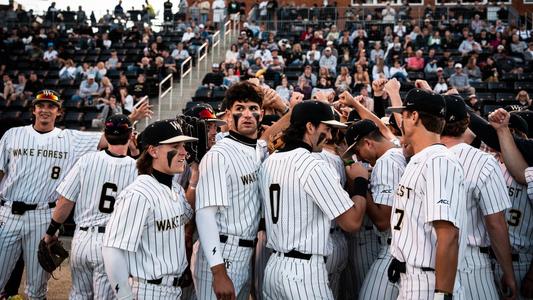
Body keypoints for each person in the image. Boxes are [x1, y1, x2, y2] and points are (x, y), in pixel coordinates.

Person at [0, 90, 103, 299]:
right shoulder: (13, 134)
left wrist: (132, 119)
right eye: (41, 105)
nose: (45, 110)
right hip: (7, 212)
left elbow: (108, 138)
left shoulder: (70, 138)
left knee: (37, 287)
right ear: (34, 110)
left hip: (43, 215)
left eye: (51, 106)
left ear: (59, 112)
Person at [259, 100, 367, 299]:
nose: (329, 136)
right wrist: (361, 181)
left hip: (273, 266)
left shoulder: (270, 161)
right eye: (326, 128)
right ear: (310, 127)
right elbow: (351, 222)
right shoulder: (313, 164)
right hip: (304, 272)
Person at [386, 81, 468, 299]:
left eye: (403, 115)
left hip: (427, 282)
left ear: (414, 117)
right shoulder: (421, 158)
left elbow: (448, 234)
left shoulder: (439, 161)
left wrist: (442, 295)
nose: (400, 121)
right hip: (411, 278)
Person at [42, 114, 138, 299]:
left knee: (78, 294)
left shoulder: (86, 161)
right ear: (130, 134)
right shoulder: (136, 169)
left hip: (82, 241)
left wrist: (50, 232)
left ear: (105, 134)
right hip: (112, 242)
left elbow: (65, 201)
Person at [102, 119, 197, 299]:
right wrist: (124, 296)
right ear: (153, 151)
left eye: (184, 146)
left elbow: (187, 217)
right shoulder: (138, 194)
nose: (184, 152)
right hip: (148, 289)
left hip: (173, 289)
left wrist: (196, 177)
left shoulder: (174, 188)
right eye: (175, 146)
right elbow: (112, 249)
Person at [193, 81, 268, 300]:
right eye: (240, 109)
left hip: (247, 251)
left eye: (253, 108)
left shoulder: (258, 150)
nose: (247, 114)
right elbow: (205, 214)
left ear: (261, 114)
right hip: (222, 252)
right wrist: (218, 271)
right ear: (228, 115)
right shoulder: (219, 155)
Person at [439, 94, 516, 299]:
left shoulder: (421, 158)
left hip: (432, 261)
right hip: (472, 263)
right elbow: (496, 224)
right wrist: (508, 273)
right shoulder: (483, 162)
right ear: (467, 122)